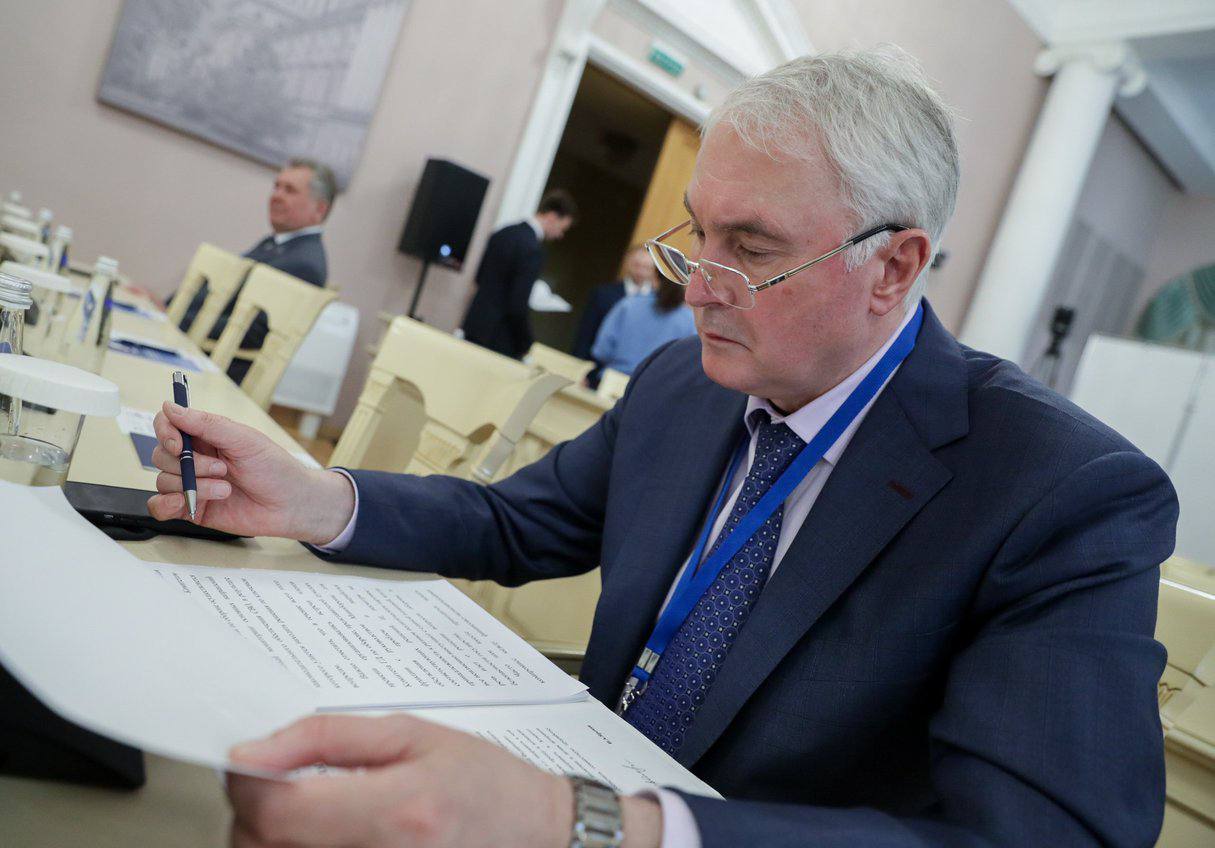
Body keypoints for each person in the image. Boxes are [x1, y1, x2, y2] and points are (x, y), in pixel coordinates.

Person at [148, 48, 1177, 848]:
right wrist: (316, 497)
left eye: (752, 248)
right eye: (697, 233)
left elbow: (1043, 836)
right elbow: (517, 521)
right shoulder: (685, 384)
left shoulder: (1058, 492)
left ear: (893, 267)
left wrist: (595, 825)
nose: (697, 286)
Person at [176, 157, 335, 383]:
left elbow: (249, 331)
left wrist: (177, 318)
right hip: (197, 350)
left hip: (216, 371)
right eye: (277, 186)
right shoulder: (275, 243)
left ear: (319, 209)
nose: (276, 195)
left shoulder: (305, 263)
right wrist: (169, 305)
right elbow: (220, 288)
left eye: (289, 190)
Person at [461, 190, 577, 359]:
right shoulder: (532, 249)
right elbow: (517, 303)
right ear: (552, 217)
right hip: (499, 337)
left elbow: (479, 277)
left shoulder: (502, 233)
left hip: (475, 325)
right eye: (561, 228)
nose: (560, 235)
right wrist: (525, 342)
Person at [590, 275, 695, 376]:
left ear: (654, 278)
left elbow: (602, 351)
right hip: (653, 384)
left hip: (613, 379)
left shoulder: (628, 304)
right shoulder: (690, 321)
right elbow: (685, 366)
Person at [572, 245, 657, 363]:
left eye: (646, 267)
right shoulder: (603, 294)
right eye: (637, 265)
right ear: (627, 264)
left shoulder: (658, 302)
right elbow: (586, 333)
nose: (640, 271)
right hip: (597, 363)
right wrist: (577, 363)